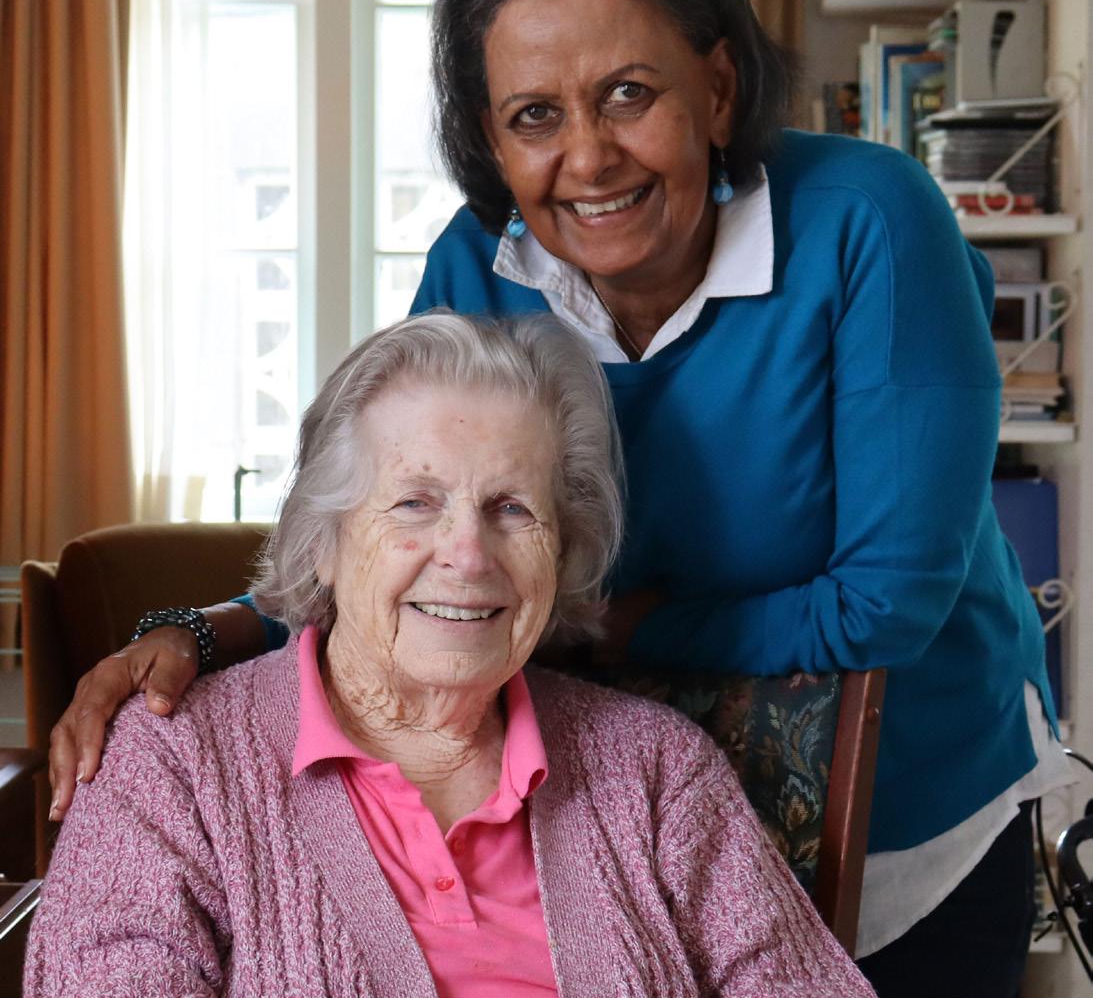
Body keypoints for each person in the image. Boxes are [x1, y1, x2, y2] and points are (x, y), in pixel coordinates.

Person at [46, 0, 1069, 994]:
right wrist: (194, 634)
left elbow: (886, 604)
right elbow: (386, 530)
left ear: (718, 90)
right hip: (603, 816)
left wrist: (615, 626)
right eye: (534, 115)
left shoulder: (870, 221)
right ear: (490, 140)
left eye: (628, 94)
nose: (587, 157)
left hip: (906, 797)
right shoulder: (479, 262)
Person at [24, 313, 872, 997]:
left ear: (562, 551)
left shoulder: (656, 771)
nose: (467, 555)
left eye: (511, 509)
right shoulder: (172, 765)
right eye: (414, 502)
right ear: (323, 542)